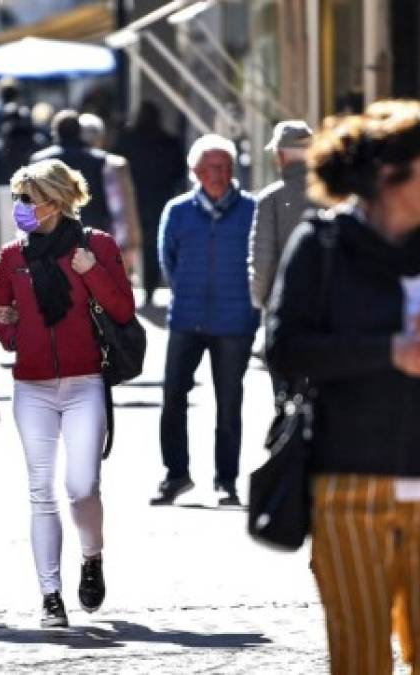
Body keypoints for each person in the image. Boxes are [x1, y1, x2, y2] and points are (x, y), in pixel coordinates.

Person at [266, 100, 420, 674]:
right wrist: (389, 353)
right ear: (388, 177)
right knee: (360, 660)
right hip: (346, 487)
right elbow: (285, 349)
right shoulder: (322, 245)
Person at [0, 159, 134, 628]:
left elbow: (123, 309)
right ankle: (50, 594)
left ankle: (91, 557)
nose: (19, 208)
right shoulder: (12, 256)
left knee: (81, 486)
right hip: (31, 387)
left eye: (26, 199)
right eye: (17, 199)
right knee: (40, 491)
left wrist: (91, 271)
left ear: (53, 201)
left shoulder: (97, 247)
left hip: (83, 382)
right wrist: (7, 328)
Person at [152, 134, 258, 507]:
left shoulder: (252, 210)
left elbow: (259, 264)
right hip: (186, 318)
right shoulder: (178, 211)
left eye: (226, 167)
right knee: (172, 398)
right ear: (196, 171)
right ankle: (176, 474)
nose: (221, 173)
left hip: (236, 322)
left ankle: (226, 481)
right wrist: (187, 294)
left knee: (229, 404)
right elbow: (168, 260)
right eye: (213, 167)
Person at [114, 101, 187, 308]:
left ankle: (134, 285)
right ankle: (150, 286)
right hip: (160, 198)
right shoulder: (168, 141)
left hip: (132, 198)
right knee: (155, 242)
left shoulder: (127, 140)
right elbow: (178, 173)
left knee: (127, 243)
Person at [249, 120, 315, 312]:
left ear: (279, 156)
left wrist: (260, 299)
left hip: (287, 304)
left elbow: (263, 259)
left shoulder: (271, 199)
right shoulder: (334, 194)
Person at [79, 112, 142, 276]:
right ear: (101, 138)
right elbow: (124, 209)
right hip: (106, 240)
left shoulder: (59, 163)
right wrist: (130, 245)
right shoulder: (114, 164)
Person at [30, 110, 112, 234]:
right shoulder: (100, 160)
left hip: (53, 233)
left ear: (55, 131)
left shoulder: (39, 161)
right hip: (92, 230)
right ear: (80, 131)